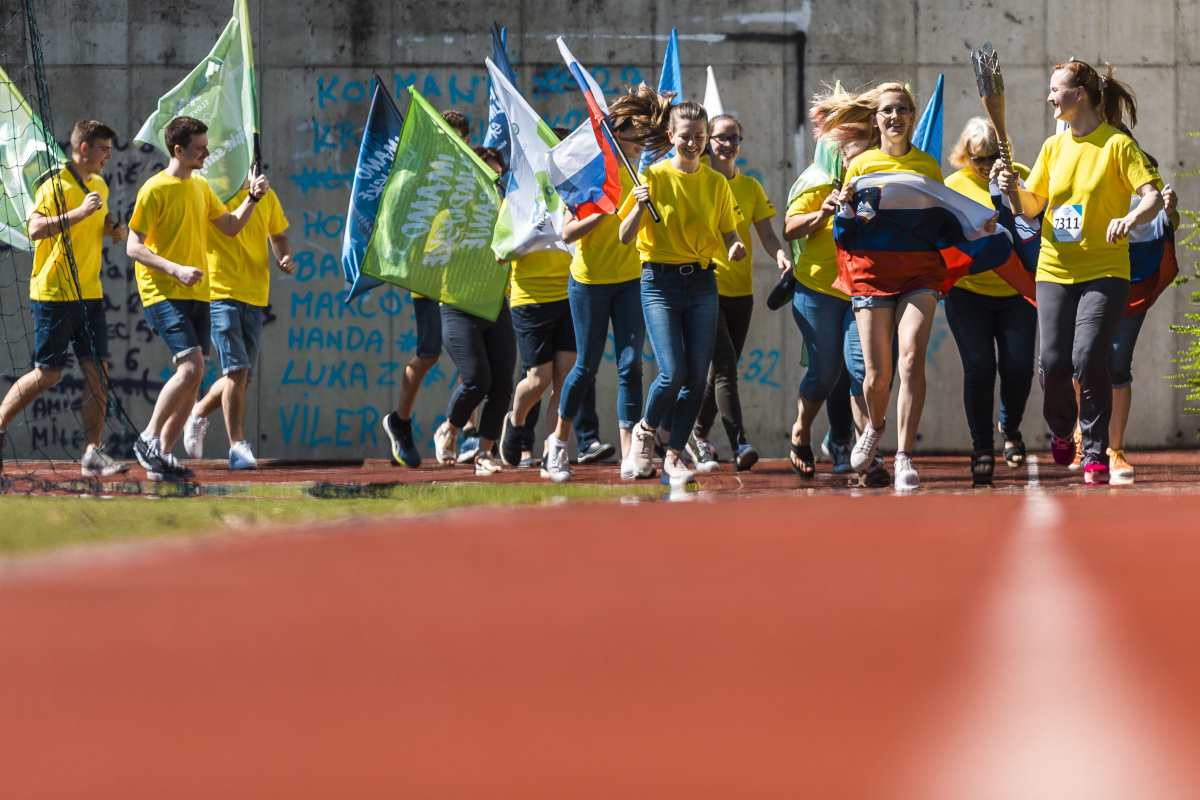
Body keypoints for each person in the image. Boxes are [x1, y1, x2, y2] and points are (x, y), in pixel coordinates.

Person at [997, 60, 1161, 485]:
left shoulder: (1117, 145)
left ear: (1080, 94)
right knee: (1053, 362)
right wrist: (1012, 191)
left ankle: (1095, 452)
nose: (1049, 97)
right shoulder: (1053, 147)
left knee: (1088, 358)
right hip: (1054, 269)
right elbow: (1031, 207)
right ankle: (1060, 428)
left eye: (1056, 89)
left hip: (1106, 270)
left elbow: (1153, 197)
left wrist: (1131, 218)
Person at [817, 82, 959, 490]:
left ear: (911, 117)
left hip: (920, 274)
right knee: (876, 376)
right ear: (876, 119)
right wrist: (842, 209)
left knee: (911, 359)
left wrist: (974, 226)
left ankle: (904, 456)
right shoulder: (861, 165)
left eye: (901, 109)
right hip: (873, 275)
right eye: (887, 111)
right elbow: (848, 232)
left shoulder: (927, 166)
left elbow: (941, 223)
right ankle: (875, 427)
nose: (894, 116)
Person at [613, 85, 746, 486]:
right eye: (686, 136)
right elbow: (624, 236)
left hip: (702, 282)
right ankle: (645, 432)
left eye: (699, 136)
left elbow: (729, 231)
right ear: (671, 135)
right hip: (659, 283)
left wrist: (735, 245)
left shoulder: (716, 183)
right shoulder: (652, 176)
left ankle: (673, 457)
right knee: (672, 372)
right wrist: (639, 206)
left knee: (696, 377)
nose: (693, 143)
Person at [126, 116, 270, 480]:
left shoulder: (202, 187)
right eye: (199, 148)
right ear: (178, 150)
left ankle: (163, 454)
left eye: (206, 146)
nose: (207, 153)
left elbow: (231, 227)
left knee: (195, 376)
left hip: (199, 294)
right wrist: (175, 269)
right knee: (191, 368)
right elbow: (133, 247)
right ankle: (147, 438)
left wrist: (253, 198)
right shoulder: (154, 189)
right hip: (163, 292)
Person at [0, 120, 129, 476]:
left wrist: (112, 227)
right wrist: (80, 213)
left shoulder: (99, 184)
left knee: (98, 374)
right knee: (48, 375)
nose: (108, 157)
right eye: (103, 150)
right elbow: (35, 228)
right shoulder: (54, 185)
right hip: (53, 295)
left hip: (90, 296)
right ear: (84, 148)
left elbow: (99, 217)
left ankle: (93, 454)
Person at [544, 118, 648, 482]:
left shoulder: (639, 175)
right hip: (589, 282)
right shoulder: (590, 176)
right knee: (586, 366)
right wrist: (603, 207)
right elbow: (567, 232)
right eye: (636, 134)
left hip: (631, 280)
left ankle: (629, 455)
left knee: (630, 364)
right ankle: (558, 445)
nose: (641, 141)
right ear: (617, 135)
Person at [687, 114, 790, 471]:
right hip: (705, 288)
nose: (728, 144)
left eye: (734, 139)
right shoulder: (698, 180)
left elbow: (768, 235)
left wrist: (780, 256)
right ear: (707, 140)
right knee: (726, 367)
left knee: (720, 372)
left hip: (741, 292)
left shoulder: (750, 188)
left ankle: (696, 434)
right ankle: (739, 443)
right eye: (721, 138)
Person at [943, 118, 1038, 485]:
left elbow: (1036, 221)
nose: (984, 166)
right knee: (980, 368)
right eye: (977, 158)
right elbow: (940, 237)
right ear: (965, 155)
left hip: (1017, 292)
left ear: (1004, 152)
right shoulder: (953, 186)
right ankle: (982, 447)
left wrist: (1010, 191)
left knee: (1019, 368)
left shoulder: (1020, 176)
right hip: (968, 294)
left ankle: (1010, 428)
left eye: (991, 156)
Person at [783, 126, 878, 481]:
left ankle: (866, 454)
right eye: (854, 152)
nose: (860, 158)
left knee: (861, 371)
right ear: (839, 153)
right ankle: (801, 430)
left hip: (861, 291)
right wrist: (821, 214)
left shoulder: (875, 183)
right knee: (824, 374)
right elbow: (789, 229)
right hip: (817, 289)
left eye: (867, 150)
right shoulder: (817, 182)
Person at [380, 109, 474, 467]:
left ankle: (467, 433)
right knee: (429, 355)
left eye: (459, 140)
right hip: (429, 281)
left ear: (468, 141)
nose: (454, 147)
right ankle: (400, 422)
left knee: (471, 360)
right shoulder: (422, 176)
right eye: (446, 140)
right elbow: (395, 218)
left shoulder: (473, 174)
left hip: (464, 279)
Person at [182, 172, 293, 469]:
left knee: (243, 378)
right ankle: (237, 447)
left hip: (255, 297)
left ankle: (198, 412)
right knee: (237, 370)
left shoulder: (267, 195)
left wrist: (283, 257)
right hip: (219, 293)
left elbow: (279, 236)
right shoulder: (212, 191)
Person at [430, 147, 514, 476]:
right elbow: (432, 258)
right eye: (488, 175)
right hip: (459, 308)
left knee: (502, 386)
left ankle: (484, 454)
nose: (495, 182)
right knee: (478, 379)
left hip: (495, 306)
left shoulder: (506, 213)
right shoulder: (449, 214)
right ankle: (449, 428)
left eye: (499, 177)